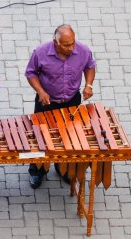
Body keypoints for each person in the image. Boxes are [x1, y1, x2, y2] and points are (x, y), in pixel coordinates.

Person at [25, 24, 96, 189]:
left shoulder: (83, 50)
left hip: (72, 101)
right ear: (55, 42)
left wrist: (89, 85)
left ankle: (62, 167)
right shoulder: (40, 52)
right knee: (41, 139)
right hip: (46, 102)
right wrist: (40, 91)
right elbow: (30, 73)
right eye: (66, 45)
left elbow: (90, 66)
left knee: (68, 137)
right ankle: (37, 170)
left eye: (72, 43)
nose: (71, 48)